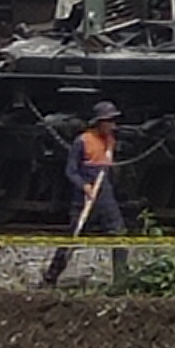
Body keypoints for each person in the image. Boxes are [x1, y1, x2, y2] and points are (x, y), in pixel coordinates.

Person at [42, 100, 124, 286]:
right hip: (84, 197)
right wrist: (84, 186)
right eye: (109, 121)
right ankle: (51, 277)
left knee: (119, 235)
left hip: (105, 196)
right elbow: (71, 171)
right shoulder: (82, 141)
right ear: (99, 122)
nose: (113, 125)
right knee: (74, 236)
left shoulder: (110, 141)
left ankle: (121, 281)